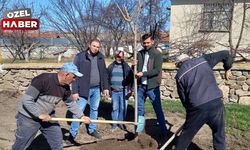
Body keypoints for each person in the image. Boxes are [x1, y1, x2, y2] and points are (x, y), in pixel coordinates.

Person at [12, 63, 91, 150]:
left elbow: (71, 104)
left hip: (48, 117)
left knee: (57, 141)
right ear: (66, 74)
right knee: (21, 144)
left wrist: (82, 116)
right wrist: (39, 114)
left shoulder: (65, 88)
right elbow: (27, 100)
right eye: (74, 76)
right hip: (29, 117)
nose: (75, 79)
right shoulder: (43, 79)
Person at [175, 50, 233, 150]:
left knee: (185, 136)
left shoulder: (179, 75)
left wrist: (190, 116)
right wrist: (227, 69)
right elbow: (226, 54)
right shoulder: (203, 60)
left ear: (179, 64)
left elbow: (184, 100)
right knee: (219, 134)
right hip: (216, 102)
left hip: (198, 108)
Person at [69, 39, 109, 141]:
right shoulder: (80, 57)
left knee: (94, 109)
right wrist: (74, 91)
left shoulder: (100, 57)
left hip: (96, 89)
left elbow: (104, 73)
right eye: (94, 46)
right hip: (83, 89)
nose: (95, 48)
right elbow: (74, 74)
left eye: (97, 47)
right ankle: (72, 133)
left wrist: (105, 88)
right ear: (89, 45)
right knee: (78, 111)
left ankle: (92, 129)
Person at [132, 33, 168, 134]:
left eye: (148, 42)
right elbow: (134, 71)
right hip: (140, 86)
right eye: (144, 43)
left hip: (152, 86)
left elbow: (157, 70)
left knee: (158, 109)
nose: (146, 44)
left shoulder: (157, 54)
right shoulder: (139, 54)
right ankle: (139, 131)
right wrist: (133, 65)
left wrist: (143, 73)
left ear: (152, 42)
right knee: (139, 109)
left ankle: (164, 131)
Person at [107, 50, 133, 132]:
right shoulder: (111, 67)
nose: (120, 58)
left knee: (123, 108)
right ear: (115, 57)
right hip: (114, 91)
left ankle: (121, 123)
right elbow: (107, 78)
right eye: (118, 56)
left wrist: (131, 90)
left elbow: (131, 78)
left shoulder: (126, 67)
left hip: (124, 91)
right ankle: (114, 124)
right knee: (115, 108)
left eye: (121, 57)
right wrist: (108, 89)